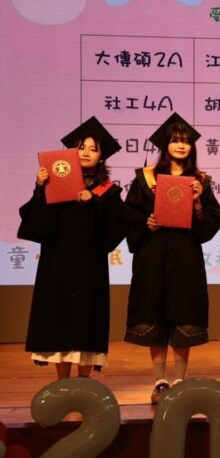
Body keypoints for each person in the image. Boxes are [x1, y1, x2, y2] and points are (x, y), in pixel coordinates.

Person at [123, 113, 220, 404]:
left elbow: (211, 223)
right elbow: (128, 213)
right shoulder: (145, 178)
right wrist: (147, 220)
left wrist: (198, 202)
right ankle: (160, 381)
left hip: (185, 256)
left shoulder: (200, 181)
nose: (180, 146)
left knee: (183, 315)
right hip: (152, 255)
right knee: (153, 313)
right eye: (175, 140)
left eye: (186, 141)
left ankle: (180, 379)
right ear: (165, 145)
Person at [19, 117, 125, 379]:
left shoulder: (109, 192)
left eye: (93, 149)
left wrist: (94, 203)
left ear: (102, 156)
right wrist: (40, 188)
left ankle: (85, 383)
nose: (86, 152)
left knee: (86, 320)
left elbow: (114, 232)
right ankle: (62, 383)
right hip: (57, 264)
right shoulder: (55, 186)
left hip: (89, 266)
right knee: (59, 319)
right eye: (81, 147)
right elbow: (36, 225)